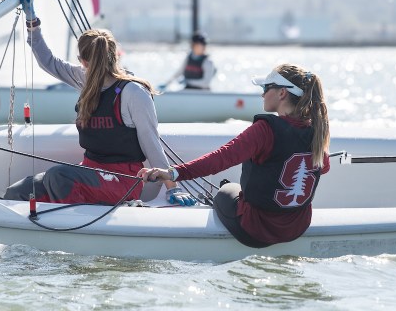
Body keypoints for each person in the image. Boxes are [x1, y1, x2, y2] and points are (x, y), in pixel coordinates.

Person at [4, 0, 195, 206]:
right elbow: (48, 62)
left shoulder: (133, 93)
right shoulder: (84, 79)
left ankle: (71, 232)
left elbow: (152, 143)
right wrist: (32, 22)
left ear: (84, 61)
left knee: (58, 176)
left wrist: (173, 186)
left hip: (123, 182)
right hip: (92, 173)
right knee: (17, 192)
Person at [138, 64, 330, 247]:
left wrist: (172, 173)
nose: (263, 93)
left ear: (282, 93)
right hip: (296, 228)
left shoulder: (265, 130)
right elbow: (324, 167)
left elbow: (221, 159)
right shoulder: (317, 131)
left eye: (266, 87)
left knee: (226, 190)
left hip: (256, 230)